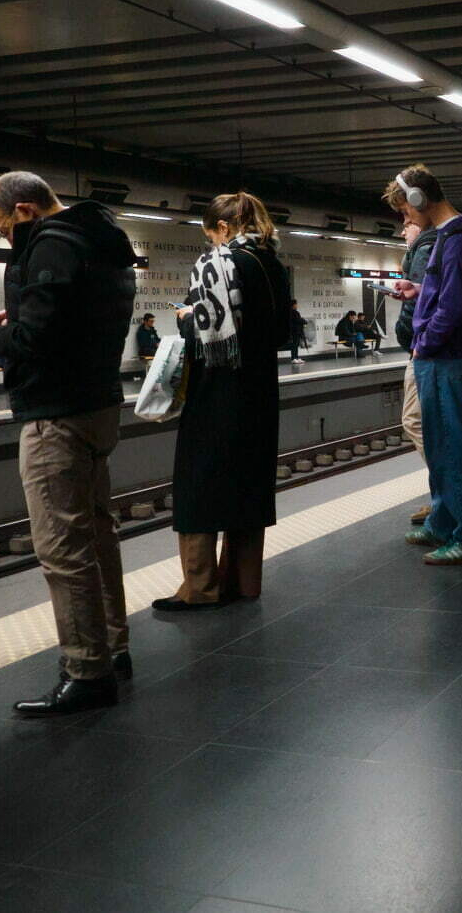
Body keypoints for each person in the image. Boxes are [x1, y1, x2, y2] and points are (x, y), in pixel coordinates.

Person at [0, 170, 138, 716]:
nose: (6, 240)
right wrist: (19, 320)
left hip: (56, 415)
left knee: (62, 548)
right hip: (98, 404)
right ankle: (113, 647)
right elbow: (66, 321)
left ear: (24, 211)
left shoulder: (51, 246)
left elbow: (37, 341)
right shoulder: (101, 238)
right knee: (97, 532)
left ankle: (86, 670)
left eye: (3, 229)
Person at [155, 191, 289, 611]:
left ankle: (200, 588)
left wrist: (185, 318)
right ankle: (244, 582)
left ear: (225, 228)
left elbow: (208, 333)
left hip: (218, 393)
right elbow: (283, 331)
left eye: (211, 233)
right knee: (249, 482)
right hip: (260, 391)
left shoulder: (218, 262)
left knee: (198, 485)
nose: (210, 242)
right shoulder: (273, 264)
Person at [388, 164, 462, 565]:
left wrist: (423, 344)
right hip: (436, 357)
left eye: (405, 210)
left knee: (457, 448)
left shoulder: (459, 238)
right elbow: (443, 291)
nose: (405, 218)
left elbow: (453, 306)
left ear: (419, 199)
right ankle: (443, 523)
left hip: (446, 357)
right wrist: (416, 290)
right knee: (440, 446)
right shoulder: (447, 237)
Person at [394, 217, 437, 526]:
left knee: (415, 420)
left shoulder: (424, 248)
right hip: (430, 348)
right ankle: (445, 498)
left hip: (423, 348)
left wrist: (405, 334)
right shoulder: (438, 245)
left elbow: (418, 306)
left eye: (407, 222)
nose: (402, 230)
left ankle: (447, 498)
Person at [286, 299, 306, 364]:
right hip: (294, 331)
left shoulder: (294, 312)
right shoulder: (293, 312)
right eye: (296, 304)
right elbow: (298, 320)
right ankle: (293, 358)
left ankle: (296, 357)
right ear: (293, 305)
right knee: (294, 345)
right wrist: (304, 321)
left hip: (296, 331)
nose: (296, 305)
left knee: (296, 345)